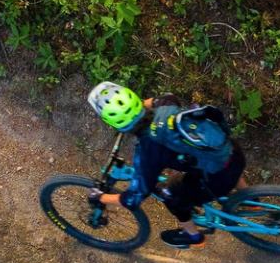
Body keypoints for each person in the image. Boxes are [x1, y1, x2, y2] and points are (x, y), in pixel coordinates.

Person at [88, 82, 245, 249]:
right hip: (234, 153)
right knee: (217, 157)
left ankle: (192, 236)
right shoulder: (165, 106)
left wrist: (100, 197)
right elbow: (168, 97)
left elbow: (133, 199)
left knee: (169, 193)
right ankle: (250, 199)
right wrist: (136, 108)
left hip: (219, 179)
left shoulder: (148, 152)